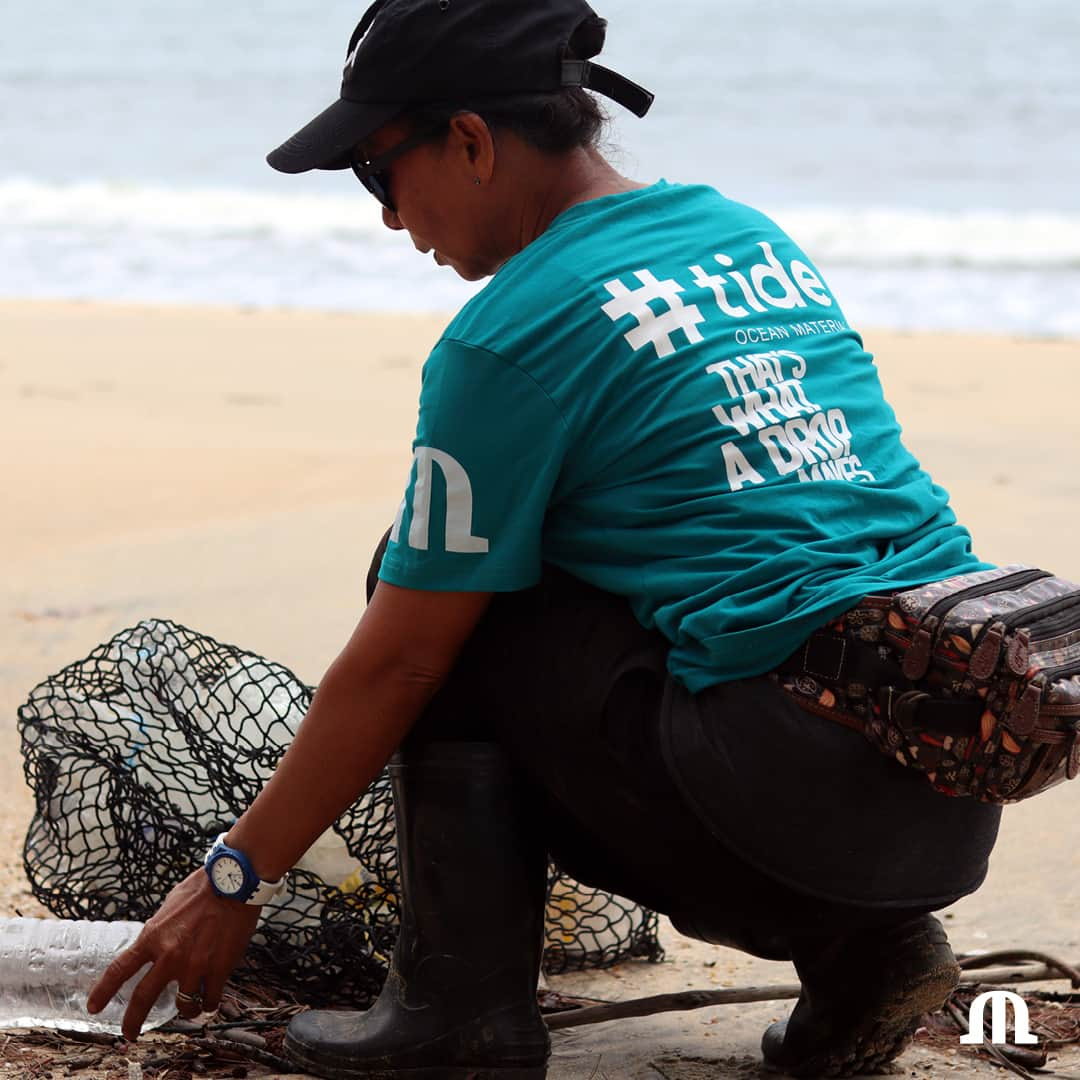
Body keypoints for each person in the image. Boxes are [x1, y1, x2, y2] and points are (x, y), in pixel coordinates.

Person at [88, 1, 1004, 1076]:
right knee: (645, 586)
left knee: (429, 583)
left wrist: (232, 876)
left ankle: (460, 1012)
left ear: (471, 141)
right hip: (942, 789)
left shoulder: (510, 335)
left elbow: (402, 660)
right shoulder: (748, 238)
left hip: (781, 815)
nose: (389, 219)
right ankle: (871, 953)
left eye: (380, 173)